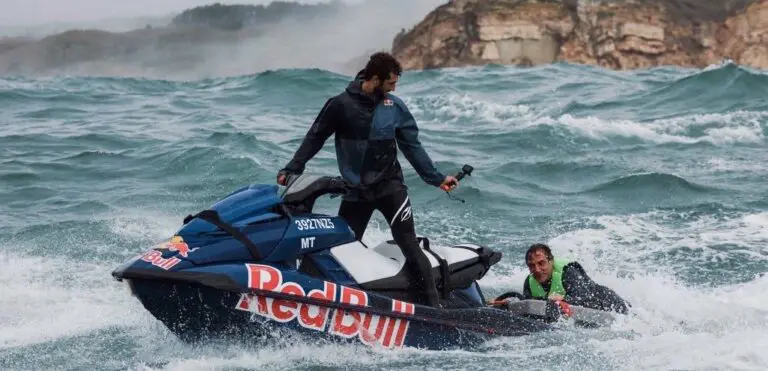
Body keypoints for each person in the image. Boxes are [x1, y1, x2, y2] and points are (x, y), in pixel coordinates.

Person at [275, 52, 459, 307]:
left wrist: (436, 178)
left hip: (390, 188)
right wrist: (292, 168)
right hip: (355, 191)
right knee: (342, 246)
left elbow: (412, 147)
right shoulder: (339, 105)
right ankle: (333, 301)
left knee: (408, 242)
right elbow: (314, 138)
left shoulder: (394, 107)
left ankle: (435, 307)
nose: (394, 89)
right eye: (391, 83)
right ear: (374, 78)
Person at [521, 243, 630, 314]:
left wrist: (562, 300)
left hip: (612, 304)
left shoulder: (568, 272)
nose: (537, 269)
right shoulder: (529, 282)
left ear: (551, 261)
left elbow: (582, 298)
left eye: (541, 263)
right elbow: (528, 304)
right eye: (531, 265)